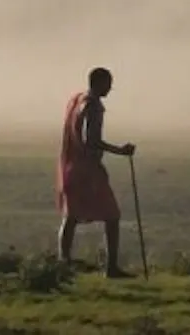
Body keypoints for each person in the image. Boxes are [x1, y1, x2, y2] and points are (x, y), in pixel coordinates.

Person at [58, 66, 136, 277]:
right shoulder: (93, 106)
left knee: (71, 216)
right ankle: (110, 268)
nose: (110, 89)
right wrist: (120, 150)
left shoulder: (77, 101)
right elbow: (90, 139)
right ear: (99, 83)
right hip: (87, 169)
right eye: (108, 84)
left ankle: (62, 263)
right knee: (112, 215)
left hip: (73, 166)